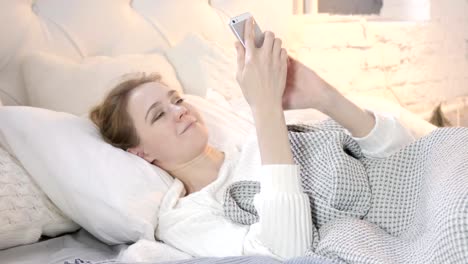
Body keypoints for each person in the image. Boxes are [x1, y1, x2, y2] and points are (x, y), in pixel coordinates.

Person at [89, 18, 414, 260]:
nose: (178, 111)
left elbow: (404, 153)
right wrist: (266, 108)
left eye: (176, 100)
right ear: (140, 152)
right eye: (158, 114)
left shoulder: (252, 145)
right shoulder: (183, 219)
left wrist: (325, 97)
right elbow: (287, 252)